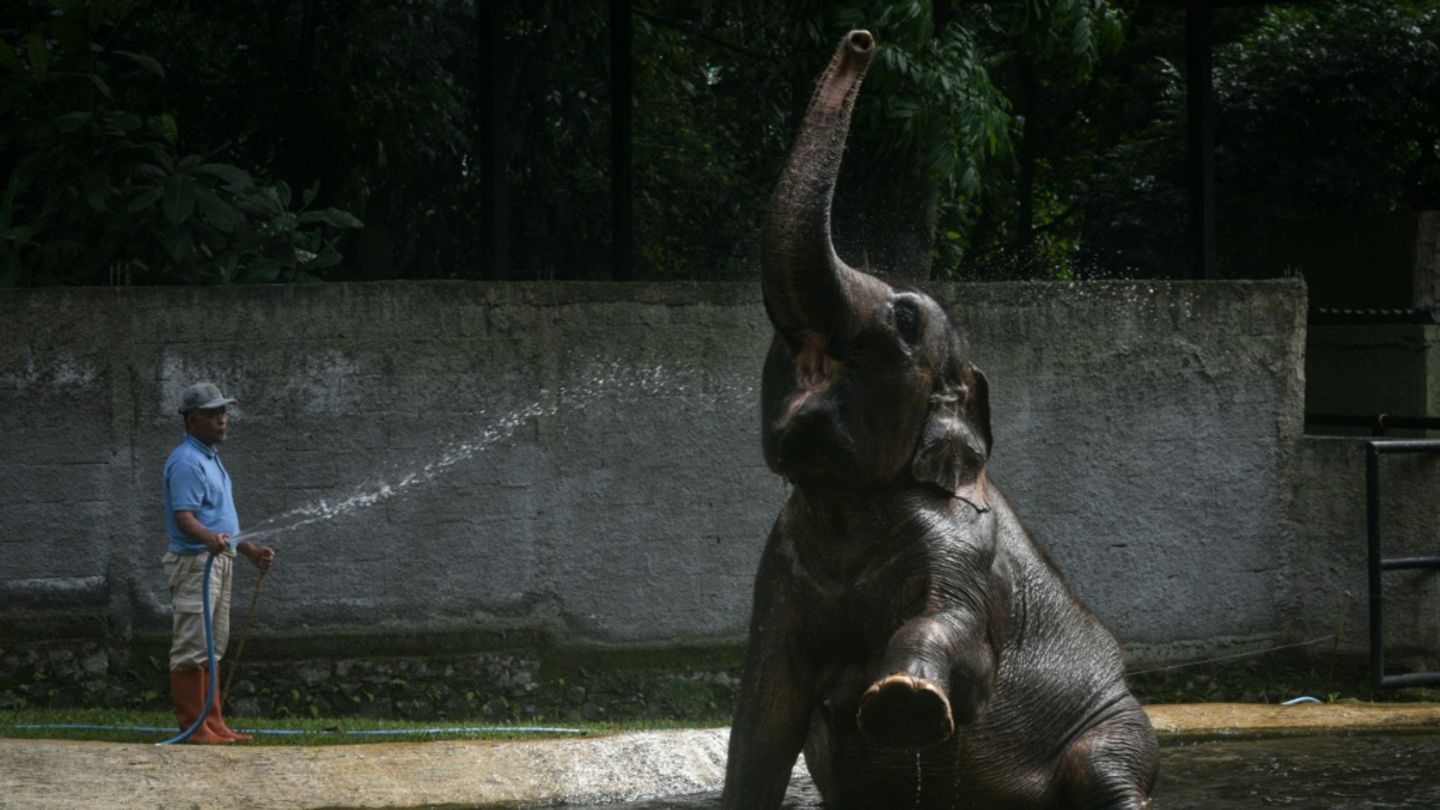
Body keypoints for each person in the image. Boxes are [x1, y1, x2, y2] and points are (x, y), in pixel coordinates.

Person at [162, 381, 276, 744]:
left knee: (214, 646)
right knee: (193, 646)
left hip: (218, 561)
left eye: (224, 412)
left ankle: (214, 724)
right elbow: (185, 517)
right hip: (196, 564)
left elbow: (223, 523)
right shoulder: (186, 461)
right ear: (192, 419)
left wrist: (250, 551)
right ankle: (193, 728)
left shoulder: (211, 459)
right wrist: (208, 540)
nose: (222, 419)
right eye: (213, 414)